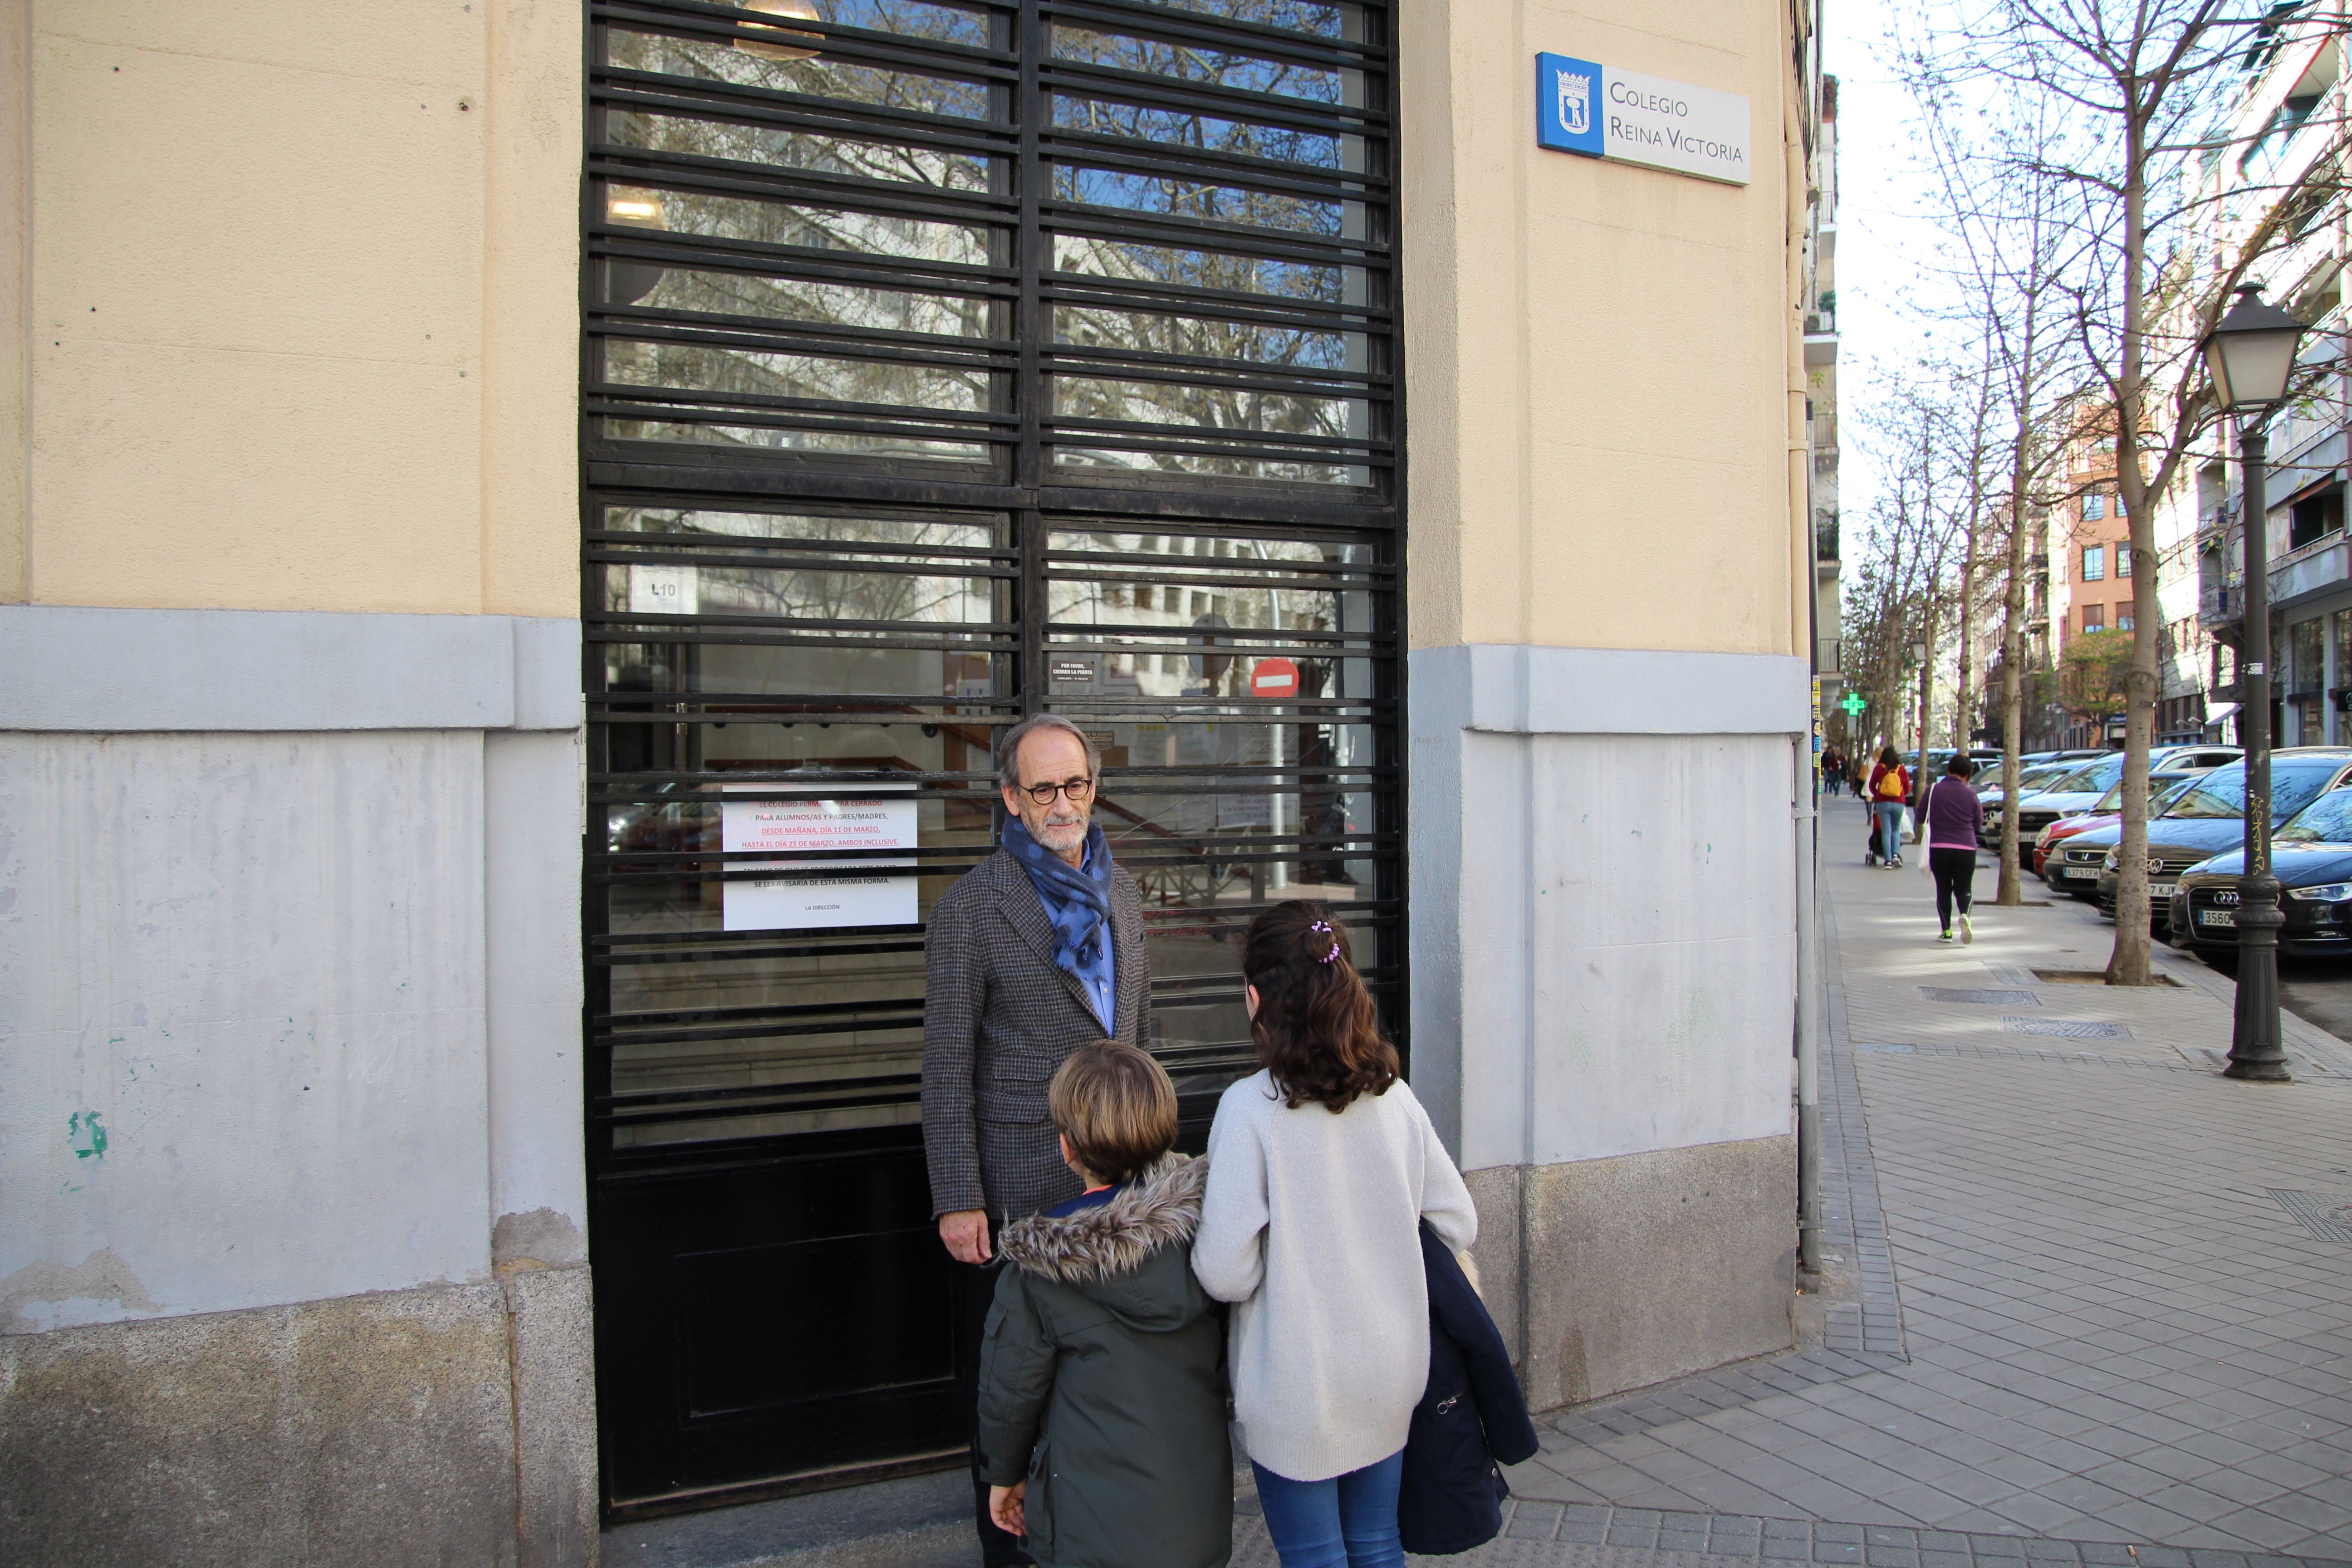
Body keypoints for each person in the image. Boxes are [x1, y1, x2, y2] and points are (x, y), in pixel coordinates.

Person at [923, 712, 1154, 1568]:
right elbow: (945, 1067)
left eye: (1077, 784)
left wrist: (1152, 1165)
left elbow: (1140, 1036)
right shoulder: (971, 909)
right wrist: (957, 1196)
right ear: (1011, 800)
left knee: (1101, 1388)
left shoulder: (1122, 891)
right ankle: (1009, 1550)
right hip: (1019, 1190)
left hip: (1119, 1194)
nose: (1065, 804)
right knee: (1014, 1394)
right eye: (1044, 788)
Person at [1193, 902, 1478, 1568]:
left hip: (1299, 1387)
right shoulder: (1394, 1097)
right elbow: (1458, 1222)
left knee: (1316, 1556)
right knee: (1378, 1546)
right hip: (1392, 1370)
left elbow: (1225, 1273)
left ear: (1257, 997)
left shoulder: (1249, 1110)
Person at [975, 1041, 1231, 1568]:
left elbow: (1010, 1389)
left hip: (1089, 1527)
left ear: (1067, 1148)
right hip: (1194, 1513)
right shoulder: (1209, 1235)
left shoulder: (1040, 1270)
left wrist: (1004, 1476)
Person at [1926, 755, 1987, 943]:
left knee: (1943, 889)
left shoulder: (1933, 790)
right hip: (1966, 848)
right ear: (1968, 775)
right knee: (1964, 888)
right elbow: (1979, 821)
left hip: (1939, 847)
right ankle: (1965, 916)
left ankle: (1946, 931)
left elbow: (1921, 815)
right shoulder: (1971, 794)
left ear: (1949, 770)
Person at [1866, 745, 1911, 868]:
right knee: (1896, 829)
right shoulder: (1901, 769)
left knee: (1886, 831)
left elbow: (1871, 785)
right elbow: (1908, 787)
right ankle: (1896, 854)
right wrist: (1901, 795)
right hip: (1899, 803)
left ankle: (1888, 861)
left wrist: (1878, 795)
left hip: (1883, 803)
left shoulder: (1879, 768)